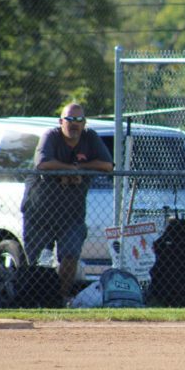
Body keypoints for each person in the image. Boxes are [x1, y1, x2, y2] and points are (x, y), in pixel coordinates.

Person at [21, 104, 113, 301]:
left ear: (84, 123)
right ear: (61, 121)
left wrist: (77, 168)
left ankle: (60, 299)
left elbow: (107, 165)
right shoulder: (51, 136)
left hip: (72, 214)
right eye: (70, 119)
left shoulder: (90, 138)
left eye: (79, 120)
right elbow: (43, 163)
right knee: (36, 261)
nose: (74, 124)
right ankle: (32, 299)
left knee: (70, 256)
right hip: (39, 213)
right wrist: (69, 171)